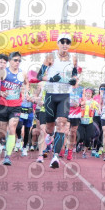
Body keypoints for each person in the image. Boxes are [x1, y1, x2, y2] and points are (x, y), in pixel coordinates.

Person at [37, 34, 78, 168]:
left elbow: (75, 75)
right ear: (58, 43)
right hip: (50, 95)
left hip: (64, 95)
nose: (65, 45)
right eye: (62, 42)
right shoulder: (50, 57)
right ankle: (49, 136)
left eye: (68, 42)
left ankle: (55, 157)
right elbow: (39, 76)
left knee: (61, 124)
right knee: (49, 128)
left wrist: (74, 81)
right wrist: (50, 78)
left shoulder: (73, 58)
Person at [0, 51, 29, 166]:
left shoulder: (23, 73)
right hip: (3, 105)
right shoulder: (3, 72)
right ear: (9, 61)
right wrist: (0, 92)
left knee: (12, 128)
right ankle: (3, 142)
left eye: (19, 60)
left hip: (16, 106)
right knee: (2, 132)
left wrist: (25, 92)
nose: (17, 62)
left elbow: (27, 83)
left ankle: (7, 156)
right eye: (15, 60)